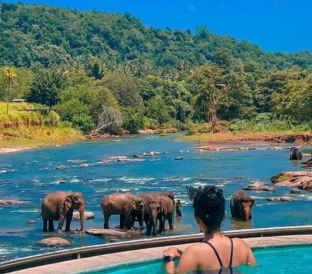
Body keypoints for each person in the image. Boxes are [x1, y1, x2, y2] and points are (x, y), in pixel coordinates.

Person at [163, 185, 256, 273]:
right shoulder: (242, 246)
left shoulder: (194, 252)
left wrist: (169, 257)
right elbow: (254, 268)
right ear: (224, 215)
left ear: (196, 218)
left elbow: (173, 273)